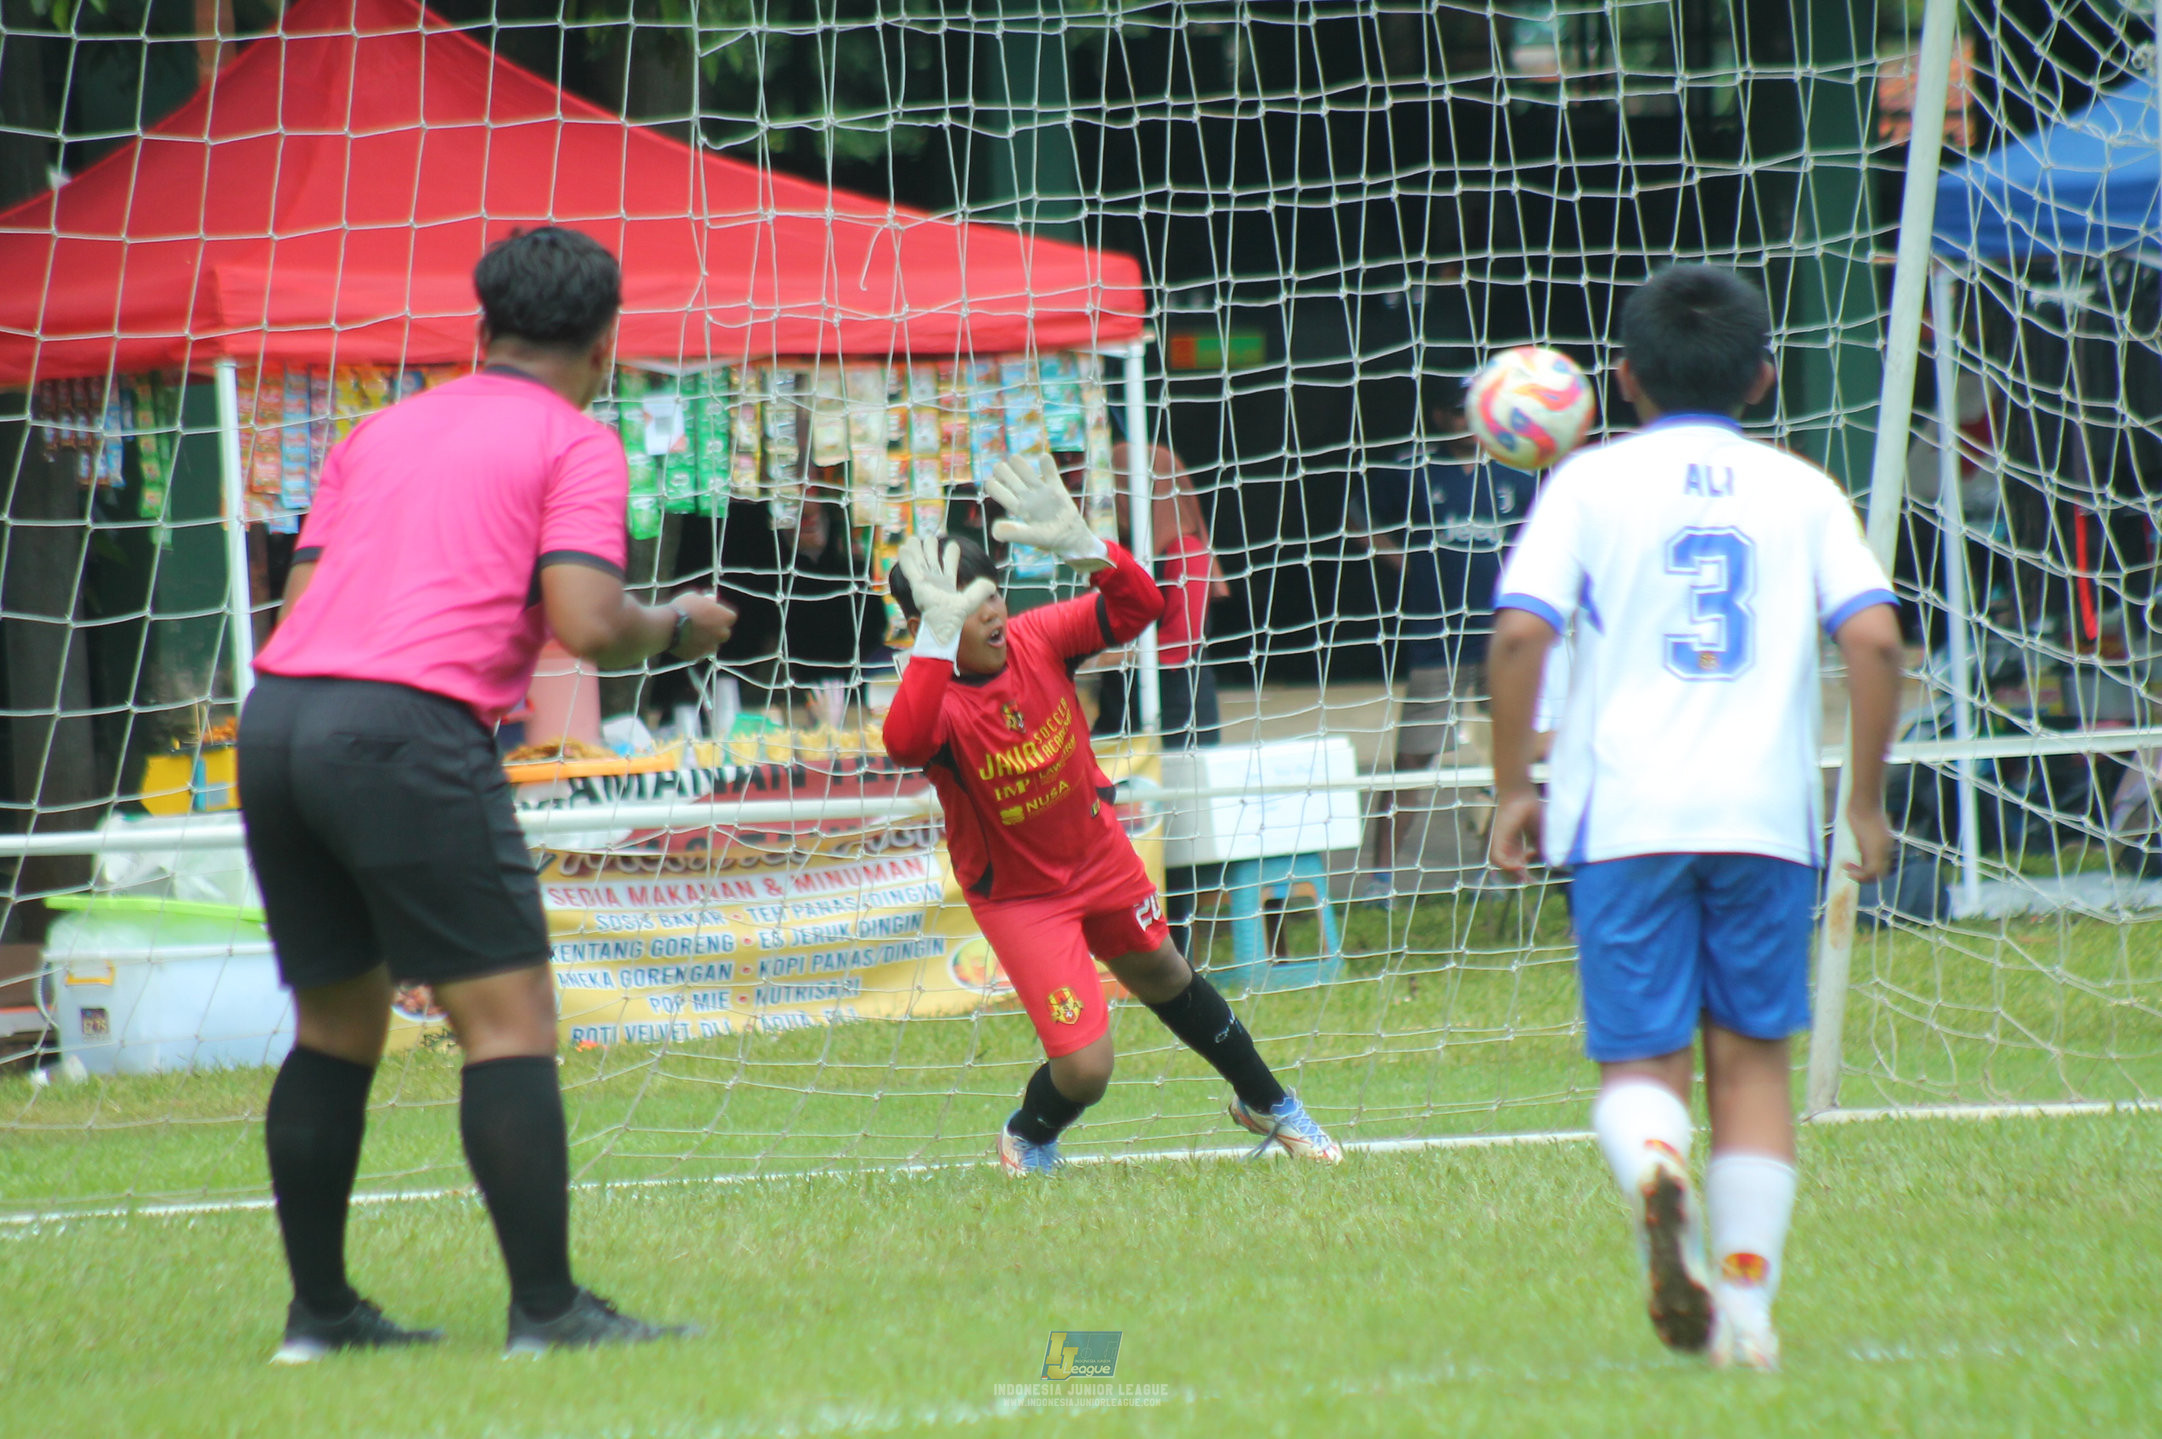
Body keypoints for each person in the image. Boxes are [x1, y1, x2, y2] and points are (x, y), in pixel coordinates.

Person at [238, 228, 737, 1361]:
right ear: (606, 345)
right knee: (509, 1024)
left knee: (335, 1025)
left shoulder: (379, 429)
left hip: (279, 720)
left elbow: (303, 593)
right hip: (404, 726)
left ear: (479, 331)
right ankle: (549, 1313)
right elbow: (584, 622)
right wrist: (677, 621)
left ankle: (319, 1316)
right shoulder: (575, 441)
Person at [1484, 264, 1904, 1372]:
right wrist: (1860, 795)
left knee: (1642, 1070)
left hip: (1622, 816)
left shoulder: (1582, 486)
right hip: (1763, 819)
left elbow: (1520, 634)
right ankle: (1749, 1313)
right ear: (1764, 375)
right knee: (1752, 1066)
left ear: (1621, 379)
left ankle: (1657, 1166)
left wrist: (1512, 787)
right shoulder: (1800, 488)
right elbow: (1871, 638)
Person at [881, 454, 1341, 1174]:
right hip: (1023, 898)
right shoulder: (935, 700)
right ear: (928, 626)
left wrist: (1088, 549)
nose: (992, 611)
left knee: (1166, 971)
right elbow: (903, 742)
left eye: (990, 592)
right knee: (1088, 1068)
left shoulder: (1037, 638)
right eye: (965, 607)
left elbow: (1141, 607)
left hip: (1098, 858)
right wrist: (935, 643)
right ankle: (1028, 1133)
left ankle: (1269, 1103)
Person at [1354, 394, 1538, 902]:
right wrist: (1407, 566)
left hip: (1502, 639)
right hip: (1435, 638)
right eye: (1456, 411)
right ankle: (1381, 878)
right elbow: (1358, 518)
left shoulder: (1518, 472)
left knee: (1510, 753)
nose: (1464, 421)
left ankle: (1494, 868)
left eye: (1473, 411)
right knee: (1414, 758)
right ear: (1438, 415)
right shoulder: (1413, 468)